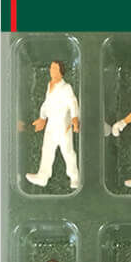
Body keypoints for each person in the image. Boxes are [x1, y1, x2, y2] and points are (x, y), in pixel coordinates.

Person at [24, 60, 80, 189]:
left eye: (54, 69)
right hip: (51, 125)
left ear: (61, 72)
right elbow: (46, 103)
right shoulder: (50, 85)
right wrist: (42, 118)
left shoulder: (66, 88)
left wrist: (74, 119)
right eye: (51, 68)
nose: (51, 71)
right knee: (47, 150)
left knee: (67, 152)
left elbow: (73, 103)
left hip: (63, 125)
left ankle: (75, 178)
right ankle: (42, 177)